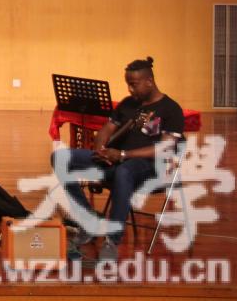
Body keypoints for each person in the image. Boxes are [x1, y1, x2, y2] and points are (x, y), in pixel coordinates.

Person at [53, 56, 184, 261]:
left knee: (124, 172)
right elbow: (106, 129)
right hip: (114, 161)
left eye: (134, 84)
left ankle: (112, 240)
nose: (130, 89)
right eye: (128, 84)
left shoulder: (171, 109)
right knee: (60, 157)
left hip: (148, 168)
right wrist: (101, 151)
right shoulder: (128, 104)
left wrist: (123, 155)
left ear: (149, 81)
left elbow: (164, 147)